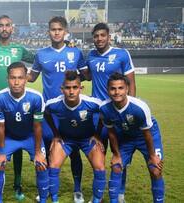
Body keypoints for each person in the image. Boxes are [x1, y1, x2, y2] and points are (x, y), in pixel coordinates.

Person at [28, 16, 87, 203]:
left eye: (60, 29)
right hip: (48, 112)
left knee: (75, 150)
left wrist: (73, 81)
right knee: (46, 149)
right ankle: (44, 189)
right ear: (48, 32)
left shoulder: (75, 52)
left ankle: (77, 190)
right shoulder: (41, 54)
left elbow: (87, 75)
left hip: (71, 111)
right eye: (53, 29)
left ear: (65, 31)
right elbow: (31, 78)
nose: (56, 32)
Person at [0, 15, 34, 200]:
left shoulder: (19, 50)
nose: (4, 28)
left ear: (12, 28)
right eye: (1, 25)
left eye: (7, 25)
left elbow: (39, 60)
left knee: (17, 146)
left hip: (16, 103)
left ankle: (17, 184)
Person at [84, 23, 136, 202]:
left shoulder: (122, 54)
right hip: (96, 113)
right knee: (97, 153)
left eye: (102, 35)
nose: (99, 39)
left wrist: (129, 109)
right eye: (96, 36)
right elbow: (87, 76)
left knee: (119, 153)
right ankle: (97, 194)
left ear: (109, 37)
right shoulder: (90, 55)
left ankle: (119, 192)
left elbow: (131, 83)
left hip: (116, 113)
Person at [100, 73, 164, 203]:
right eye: (113, 88)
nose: (117, 92)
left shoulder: (139, 107)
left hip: (146, 136)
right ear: (108, 90)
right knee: (117, 166)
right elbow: (111, 133)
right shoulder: (104, 108)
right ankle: (116, 200)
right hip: (126, 137)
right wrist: (116, 154)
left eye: (120, 88)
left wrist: (152, 156)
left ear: (127, 89)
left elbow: (147, 133)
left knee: (155, 170)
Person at [45, 71, 106, 203]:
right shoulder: (53, 104)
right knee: (53, 166)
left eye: (75, 87)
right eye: (67, 88)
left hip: (87, 139)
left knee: (100, 167)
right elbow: (46, 113)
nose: (71, 91)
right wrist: (55, 134)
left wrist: (97, 134)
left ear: (81, 88)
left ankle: (96, 200)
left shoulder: (92, 103)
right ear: (62, 89)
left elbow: (105, 112)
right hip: (66, 140)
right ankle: (54, 200)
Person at [0, 62, 49, 203]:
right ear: (7, 79)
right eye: (13, 78)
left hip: (30, 137)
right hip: (9, 137)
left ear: (26, 78)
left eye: (20, 78)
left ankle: (42, 199)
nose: (16, 82)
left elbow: (37, 127)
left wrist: (38, 153)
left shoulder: (36, 97)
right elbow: (0, 127)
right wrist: (2, 151)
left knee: (41, 164)